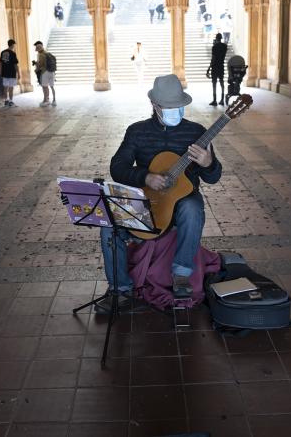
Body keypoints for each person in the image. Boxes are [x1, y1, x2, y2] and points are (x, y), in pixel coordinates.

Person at [95, 74, 222, 313]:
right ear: (154, 105)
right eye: (169, 107)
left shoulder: (197, 132)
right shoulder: (137, 131)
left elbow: (213, 178)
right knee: (109, 226)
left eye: (179, 106)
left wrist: (208, 164)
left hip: (182, 203)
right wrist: (145, 177)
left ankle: (181, 278)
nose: (176, 111)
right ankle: (120, 290)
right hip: (147, 202)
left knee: (193, 207)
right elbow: (118, 167)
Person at [206, 33, 227, 106]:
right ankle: (222, 100)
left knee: (214, 84)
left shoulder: (214, 47)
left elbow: (213, 59)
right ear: (221, 38)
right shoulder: (225, 46)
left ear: (216, 38)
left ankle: (214, 100)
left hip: (215, 67)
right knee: (222, 83)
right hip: (221, 66)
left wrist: (209, 68)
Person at [34, 41, 56, 107]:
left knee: (45, 87)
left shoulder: (40, 55)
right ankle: (54, 100)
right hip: (52, 72)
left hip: (45, 72)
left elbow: (40, 65)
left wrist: (36, 69)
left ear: (38, 49)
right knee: (52, 87)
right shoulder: (47, 53)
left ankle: (46, 100)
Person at [0, 39, 19, 107]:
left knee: (5, 87)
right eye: (14, 45)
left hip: (5, 72)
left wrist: (1, 72)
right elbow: (15, 64)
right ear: (13, 44)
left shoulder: (3, 52)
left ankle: (6, 101)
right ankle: (11, 101)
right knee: (11, 87)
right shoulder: (13, 53)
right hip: (11, 72)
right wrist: (18, 73)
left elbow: (1, 63)